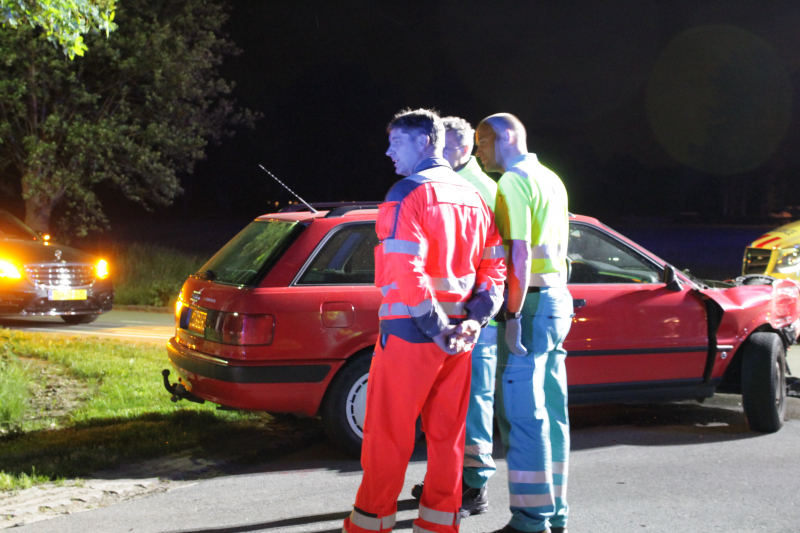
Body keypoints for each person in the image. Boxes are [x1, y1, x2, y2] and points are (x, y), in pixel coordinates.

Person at [342, 108, 506, 533]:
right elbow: (495, 269)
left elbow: (406, 270)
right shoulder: (473, 197)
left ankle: (369, 524)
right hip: (460, 341)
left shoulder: (405, 193)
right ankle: (439, 524)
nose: (388, 151)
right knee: (448, 438)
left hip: (412, 334)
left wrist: (436, 329)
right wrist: (473, 321)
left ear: (425, 142)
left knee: (388, 436)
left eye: (397, 142)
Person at [475, 113, 572, 533]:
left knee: (523, 418)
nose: (479, 151)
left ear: (506, 138)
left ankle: (531, 521)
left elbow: (518, 255)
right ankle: (556, 514)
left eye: (482, 142)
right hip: (557, 301)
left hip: (530, 305)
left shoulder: (512, 182)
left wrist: (511, 315)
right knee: (553, 413)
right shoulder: (551, 178)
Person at [411, 116, 500, 518]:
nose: (436, 156)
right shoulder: (460, 185)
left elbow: (491, 263)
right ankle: (445, 483)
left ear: (461, 149)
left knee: (472, 407)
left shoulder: (477, 189)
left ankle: (474, 488)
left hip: (471, 321)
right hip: (451, 321)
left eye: (443, 148)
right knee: (446, 409)